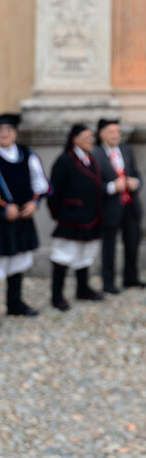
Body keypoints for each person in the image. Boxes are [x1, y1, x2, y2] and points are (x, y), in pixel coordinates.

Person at [0, 112, 51, 317]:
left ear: (15, 132)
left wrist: (34, 203)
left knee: (18, 261)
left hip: (22, 217)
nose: (4, 134)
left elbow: (40, 183)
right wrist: (4, 209)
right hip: (2, 219)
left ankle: (15, 303)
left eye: (8, 130)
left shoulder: (27, 154)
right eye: (0, 130)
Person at [49, 124, 104, 310]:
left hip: (90, 216)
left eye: (91, 137)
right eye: (87, 136)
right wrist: (59, 214)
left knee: (85, 253)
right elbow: (54, 192)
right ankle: (57, 296)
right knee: (63, 256)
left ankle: (83, 289)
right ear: (75, 139)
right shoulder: (65, 160)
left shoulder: (91, 160)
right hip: (70, 217)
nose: (91, 140)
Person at [92, 117, 146, 294]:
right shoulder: (96, 155)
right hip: (110, 207)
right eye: (111, 132)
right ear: (101, 135)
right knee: (109, 246)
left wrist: (135, 182)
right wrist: (111, 187)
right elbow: (92, 185)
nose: (116, 135)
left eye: (118, 132)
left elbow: (137, 175)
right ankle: (108, 282)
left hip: (130, 205)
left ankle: (131, 277)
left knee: (132, 242)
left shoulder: (126, 150)